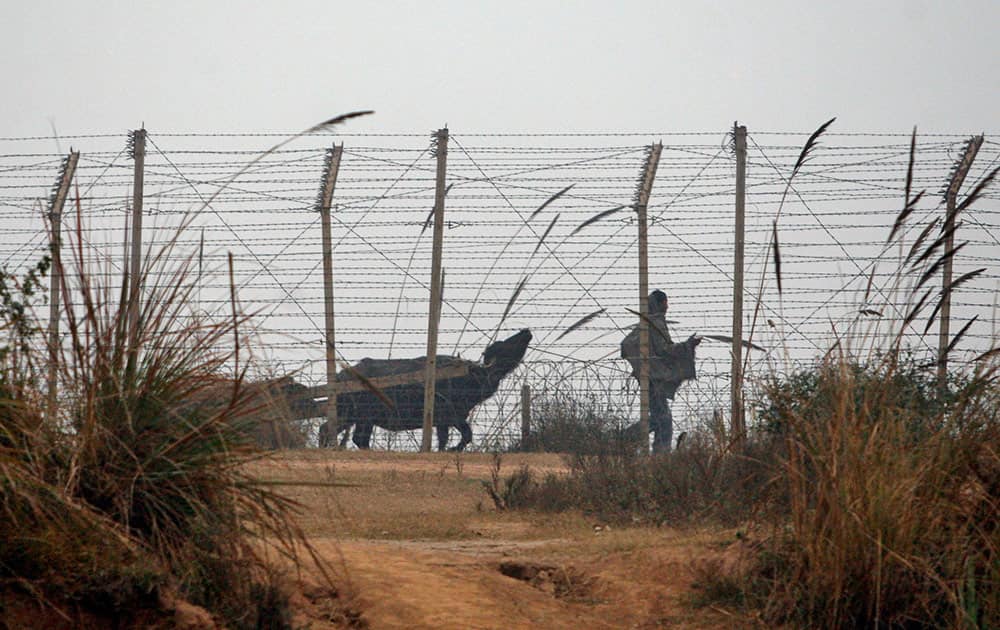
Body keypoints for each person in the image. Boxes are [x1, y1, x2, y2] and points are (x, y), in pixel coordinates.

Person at [620, 290, 699, 452]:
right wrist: (688, 346)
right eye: (665, 303)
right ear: (660, 304)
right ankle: (629, 439)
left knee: (661, 418)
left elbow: (627, 345)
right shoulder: (656, 322)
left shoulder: (646, 323)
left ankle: (653, 450)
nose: (667, 306)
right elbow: (665, 350)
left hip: (649, 377)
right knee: (662, 419)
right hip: (655, 379)